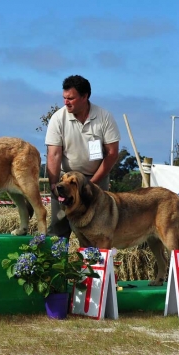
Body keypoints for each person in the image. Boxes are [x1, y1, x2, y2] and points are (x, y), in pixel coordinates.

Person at [45, 75, 121, 238]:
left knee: (98, 228)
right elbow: (54, 154)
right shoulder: (58, 118)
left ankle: (93, 263)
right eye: (64, 98)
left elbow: (112, 153)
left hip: (97, 179)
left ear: (85, 96)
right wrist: (54, 184)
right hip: (67, 180)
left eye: (71, 98)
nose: (66, 102)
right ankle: (56, 262)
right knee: (58, 229)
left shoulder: (104, 117)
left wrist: (90, 184)